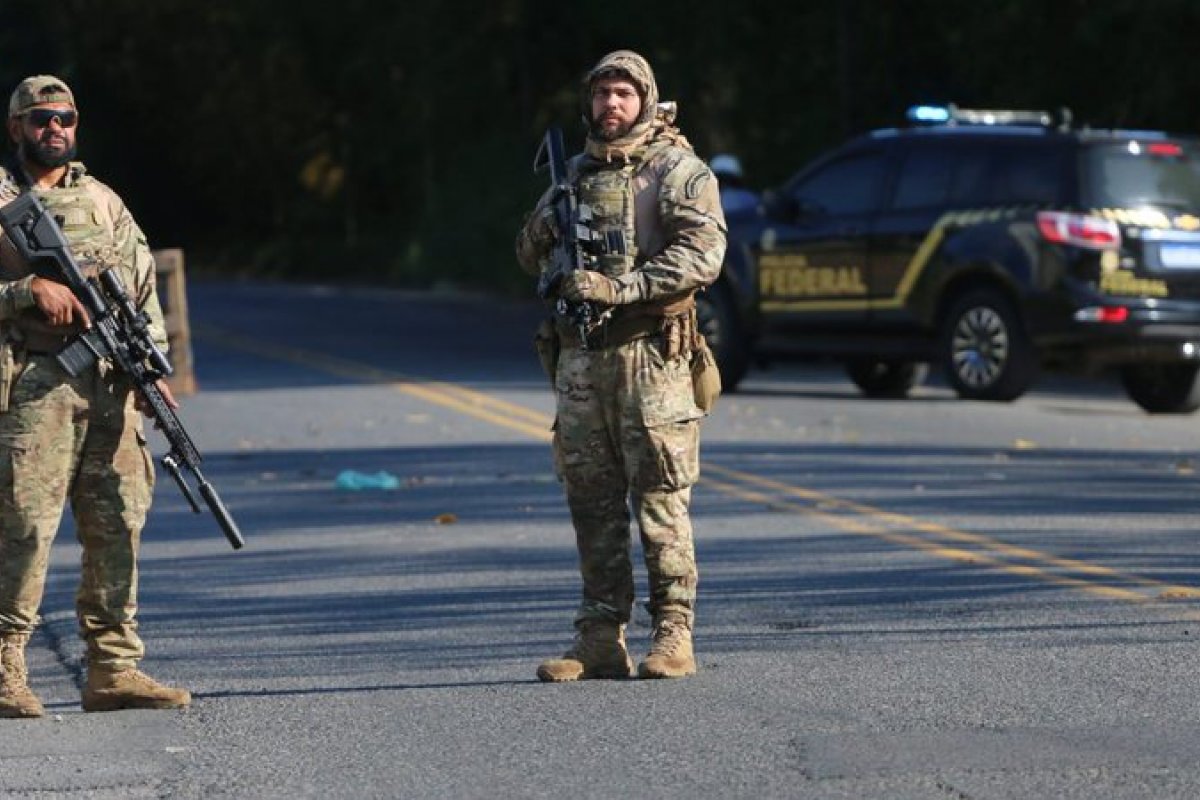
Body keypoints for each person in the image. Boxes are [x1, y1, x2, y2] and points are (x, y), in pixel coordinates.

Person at [516, 51, 727, 681]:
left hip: (651, 354)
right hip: (581, 359)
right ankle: (600, 635)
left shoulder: (677, 171)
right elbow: (528, 257)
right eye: (603, 93)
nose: (612, 105)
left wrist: (625, 288)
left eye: (624, 94)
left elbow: (704, 255)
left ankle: (673, 633)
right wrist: (544, 227)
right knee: (591, 497)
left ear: (646, 100)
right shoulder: (572, 176)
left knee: (660, 496)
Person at [0, 75, 190, 717]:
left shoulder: (105, 202)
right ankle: (4, 670)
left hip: (111, 386)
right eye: (41, 119)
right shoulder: (0, 198)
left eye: (66, 118)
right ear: (16, 128)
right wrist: (26, 293)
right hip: (34, 386)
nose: (55, 129)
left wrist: (154, 368)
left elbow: (141, 289)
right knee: (22, 527)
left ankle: (113, 669)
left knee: (119, 522)